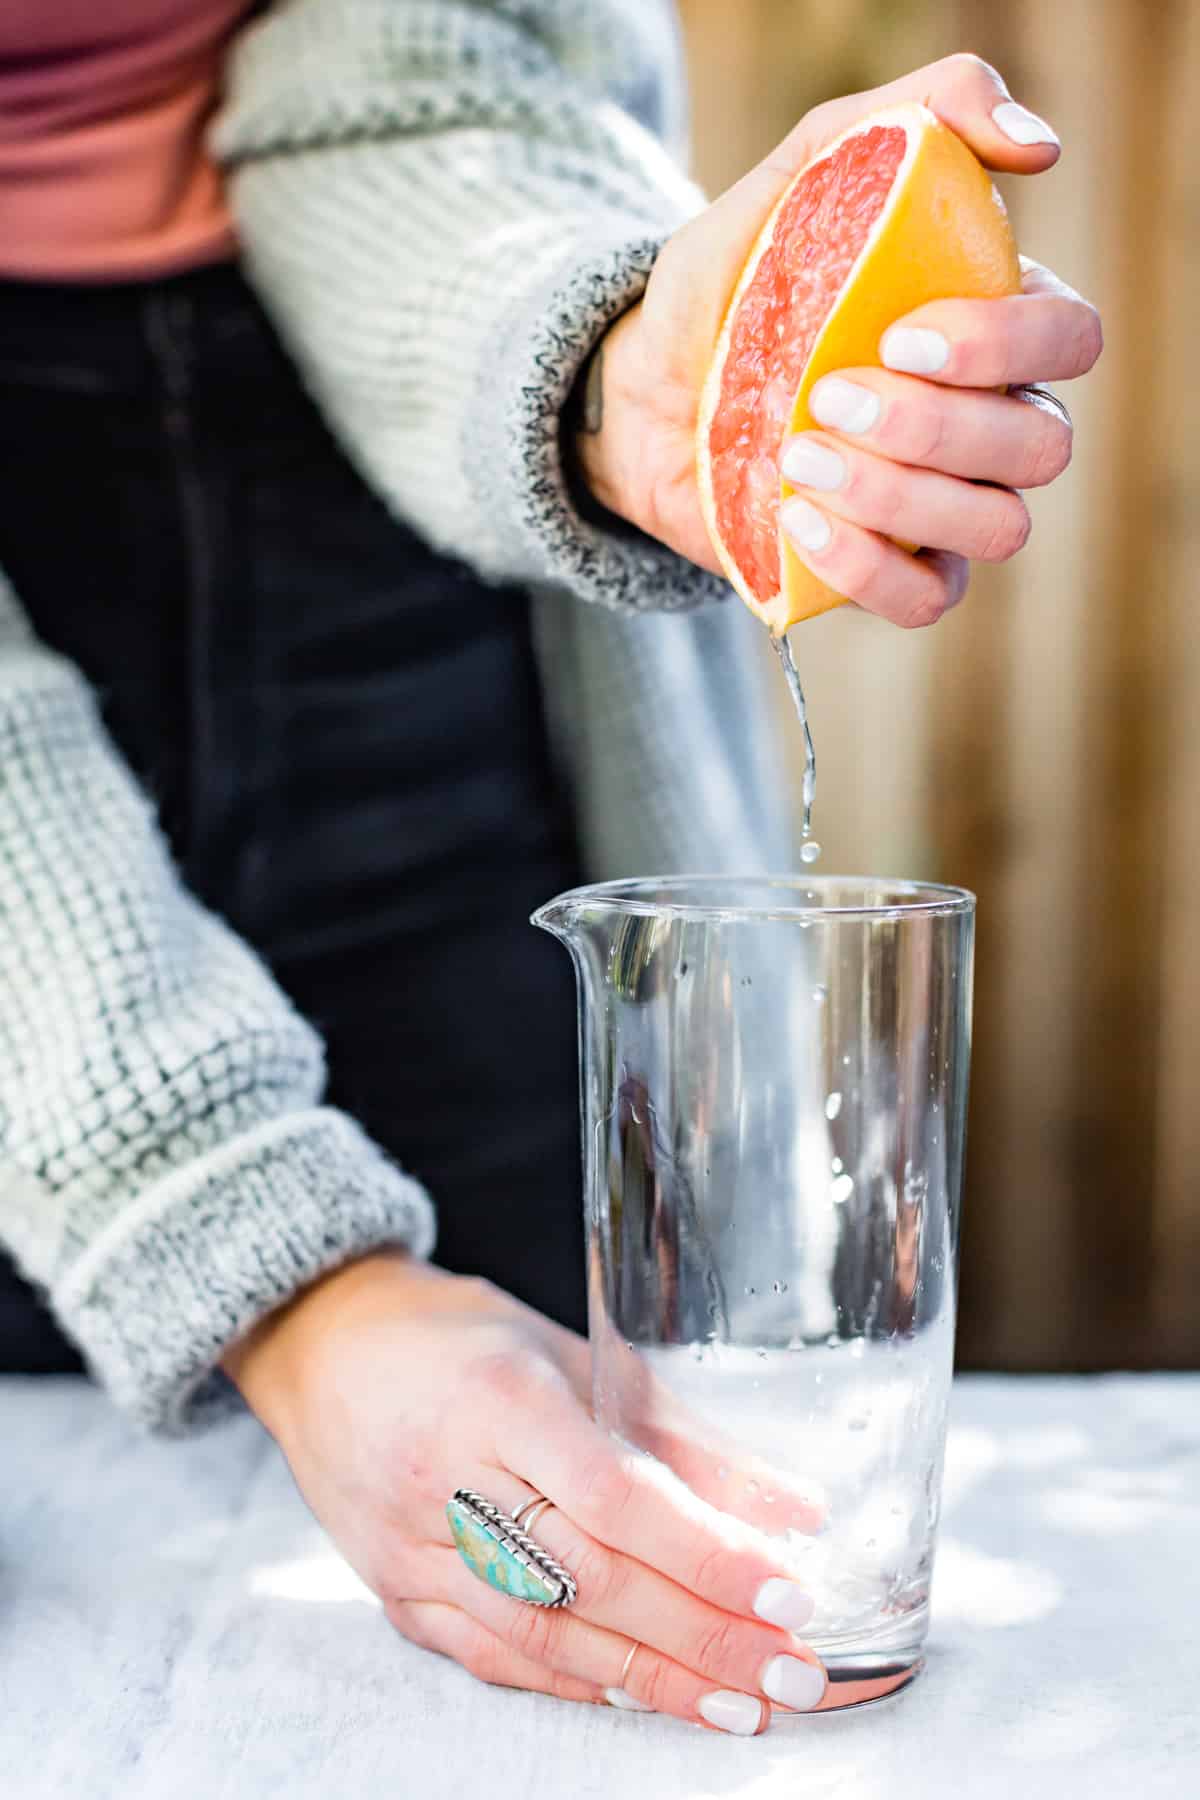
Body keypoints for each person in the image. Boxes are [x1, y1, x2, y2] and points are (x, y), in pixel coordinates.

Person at [0, 2, 1098, 1733]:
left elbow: (408, 61)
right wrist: (285, 1283)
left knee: (573, 1517)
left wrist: (601, 377)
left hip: (411, 491)